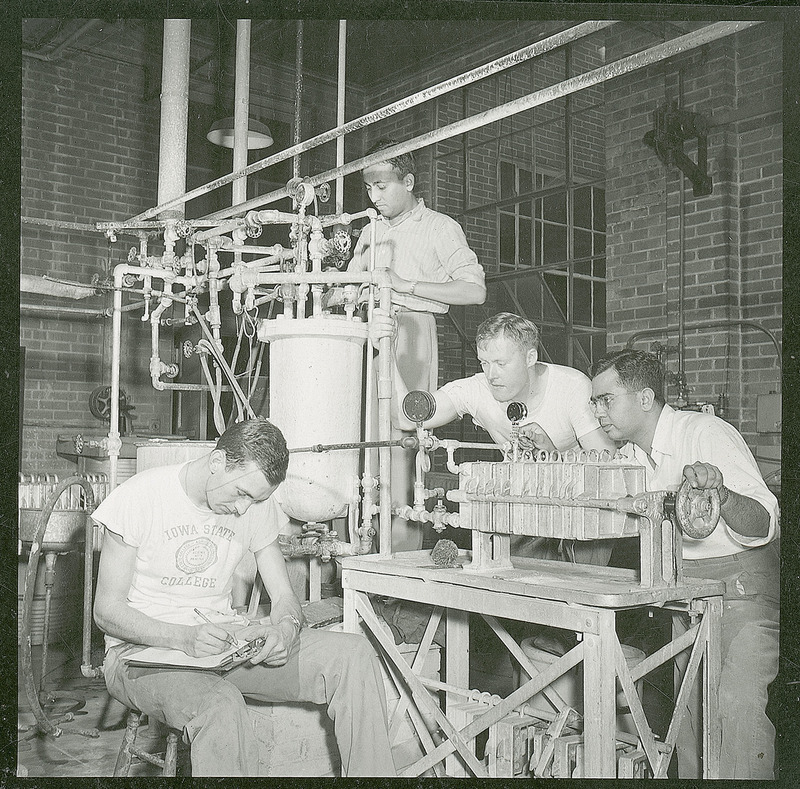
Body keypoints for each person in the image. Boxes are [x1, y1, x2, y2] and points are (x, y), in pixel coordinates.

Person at [92, 417, 395, 778]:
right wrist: (183, 638)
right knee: (220, 705)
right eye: (240, 494)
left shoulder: (254, 506)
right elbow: (106, 612)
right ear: (218, 461)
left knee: (353, 655)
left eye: (256, 499)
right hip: (139, 656)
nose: (242, 509)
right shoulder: (140, 497)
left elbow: (284, 596)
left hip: (224, 645)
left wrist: (284, 629)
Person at [590, 349, 779, 779]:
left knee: (736, 712)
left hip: (742, 586)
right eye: (594, 402)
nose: (599, 412)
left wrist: (723, 495)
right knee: (690, 715)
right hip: (688, 589)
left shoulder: (705, 433)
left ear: (645, 398)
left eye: (606, 399)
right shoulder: (635, 456)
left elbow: (765, 522)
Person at [371, 309, 617, 565]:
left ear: (530, 357)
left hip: (584, 510)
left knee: (580, 593)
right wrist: (385, 354)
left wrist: (552, 454)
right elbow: (406, 418)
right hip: (526, 506)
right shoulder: (477, 389)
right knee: (513, 586)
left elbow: (607, 464)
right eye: (484, 363)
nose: (492, 375)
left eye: (501, 364)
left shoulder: (572, 387)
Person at [348, 137, 486, 551]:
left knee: (401, 446)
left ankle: (400, 563)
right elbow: (349, 284)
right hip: (366, 333)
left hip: (411, 332)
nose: (375, 196)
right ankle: (354, 556)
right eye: (369, 188)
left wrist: (403, 285)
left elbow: (474, 290)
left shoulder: (440, 228)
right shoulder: (369, 231)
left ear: (408, 181)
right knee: (359, 448)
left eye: (383, 186)